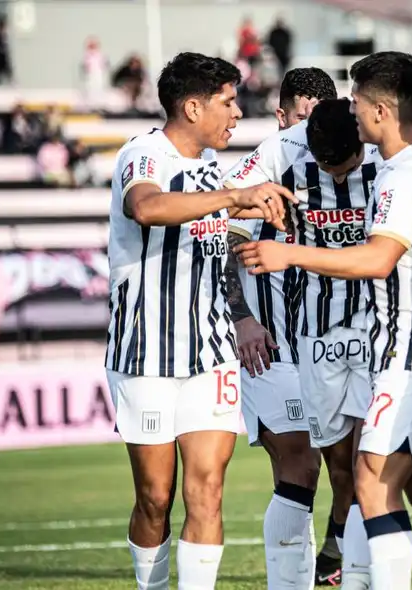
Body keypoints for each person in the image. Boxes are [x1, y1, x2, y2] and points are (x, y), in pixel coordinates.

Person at [238, 50, 412, 589]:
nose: (337, 175)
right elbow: (223, 218)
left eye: (346, 166)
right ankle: (350, 564)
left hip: (385, 334)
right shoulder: (279, 151)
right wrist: (246, 209)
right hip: (313, 333)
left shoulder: (403, 153)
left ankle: (360, 568)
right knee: (346, 469)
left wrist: (289, 253)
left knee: (380, 469)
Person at [104, 51, 291, 590]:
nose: (237, 114)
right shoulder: (144, 154)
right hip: (147, 353)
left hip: (210, 352)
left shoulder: (209, 168)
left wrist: (248, 214)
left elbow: (215, 243)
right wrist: (234, 197)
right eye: (228, 102)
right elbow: (147, 207)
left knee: (207, 490)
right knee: (155, 498)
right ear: (192, 107)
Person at [221, 66, 337, 590]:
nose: (309, 128)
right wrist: (242, 317)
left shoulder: (360, 153)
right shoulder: (272, 156)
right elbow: (227, 236)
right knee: (299, 460)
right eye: (301, 116)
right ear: (283, 115)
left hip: (342, 338)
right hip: (274, 343)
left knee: (357, 467)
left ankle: (334, 560)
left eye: (320, 115)